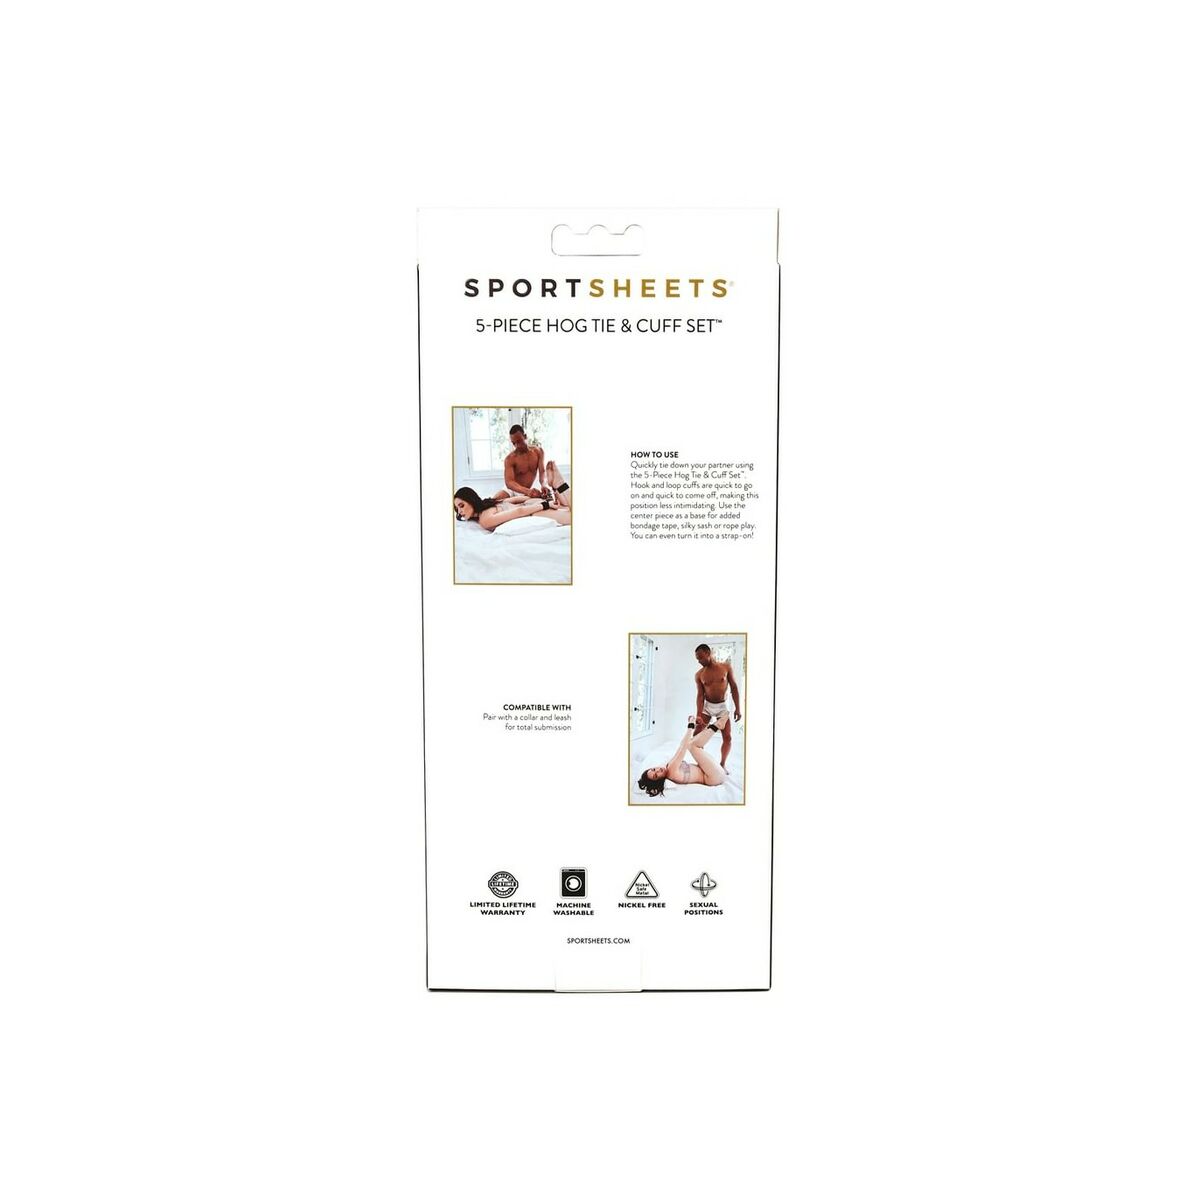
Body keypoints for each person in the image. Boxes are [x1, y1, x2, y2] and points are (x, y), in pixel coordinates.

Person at [453, 460, 571, 530]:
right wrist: (538, 499)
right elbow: (514, 500)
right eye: (457, 509)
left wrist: (545, 504)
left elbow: (519, 511)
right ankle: (556, 488)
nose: (459, 511)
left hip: (533, 511)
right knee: (565, 506)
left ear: (470, 500)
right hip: (530, 504)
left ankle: (560, 484)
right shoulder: (489, 504)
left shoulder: (485, 519)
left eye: (461, 505)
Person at [637, 720, 727, 798]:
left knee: (692, 744)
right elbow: (684, 747)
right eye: (656, 775)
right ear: (659, 781)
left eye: (653, 769)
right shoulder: (671, 771)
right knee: (692, 746)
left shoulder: (668, 766)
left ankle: (715, 726)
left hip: (709, 772)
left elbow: (681, 747)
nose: (657, 770)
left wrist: (691, 725)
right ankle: (716, 725)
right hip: (712, 777)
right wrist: (691, 725)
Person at [693, 644, 741, 770]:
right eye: (697, 659)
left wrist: (738, 708)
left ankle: (722, 764)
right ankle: (702, 763)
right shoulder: (699, 675)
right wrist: (698, 714)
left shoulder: (726, 667)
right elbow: (700, 696)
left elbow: (734, 687)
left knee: (728, 738)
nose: (699, 661)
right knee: (696, 735)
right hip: (708, 706)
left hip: (722, 707)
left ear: (708, 653)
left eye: (701, 658)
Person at [504, 424, 549, 499]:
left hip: (528, 491)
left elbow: (542, 472)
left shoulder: (538, 452)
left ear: (525, 436)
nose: (517, 446)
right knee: (493, 501)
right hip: (513, 490)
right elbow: (509, 482)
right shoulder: (510, 459)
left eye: (519, 441)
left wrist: (544, 484)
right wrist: (527, 491)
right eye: (514, 443)